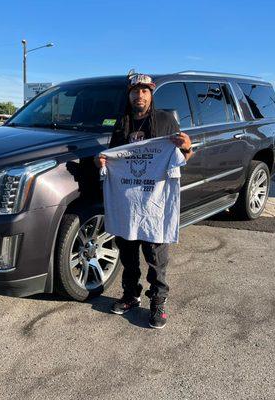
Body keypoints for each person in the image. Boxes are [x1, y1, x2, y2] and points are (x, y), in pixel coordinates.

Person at [97, 73, 194, 329]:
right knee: (128, 254)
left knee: (155, 256)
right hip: (127, 202)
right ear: (129, 95)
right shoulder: (122, 124)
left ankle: (158, 302)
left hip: (154, 202)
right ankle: (131, 295)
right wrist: (105, 162)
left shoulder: (165, 120)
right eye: (134, 91)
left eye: (144, 91)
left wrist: (187, 147)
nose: (139, 96)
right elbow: (115, 156)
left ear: (151, 94)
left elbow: (183, 157)